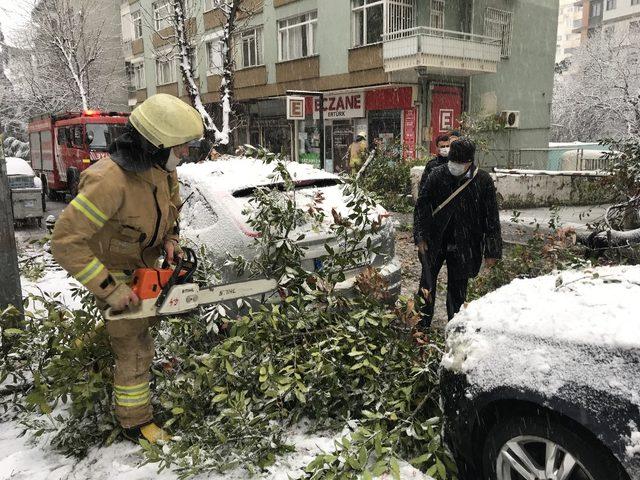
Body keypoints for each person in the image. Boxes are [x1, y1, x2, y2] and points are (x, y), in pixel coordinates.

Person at [51, 94, 204, 444]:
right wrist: (110, 289)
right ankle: (135, 422)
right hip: (113, 270)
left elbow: (172, 208)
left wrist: (171, 239)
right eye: (179, 148)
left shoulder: (163, 170)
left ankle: (95, 354)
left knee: (134, 336)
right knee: (135, 346)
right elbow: (66, 241)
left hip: (145, 264)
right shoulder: (108, 181)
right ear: (155, 144)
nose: (183, 155)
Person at [414, 137, 502, 328]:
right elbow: (422, 206)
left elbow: (491, 218)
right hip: (435, 240)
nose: (454, 166)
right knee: (426, 284)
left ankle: (454, 327)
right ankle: (421, 326)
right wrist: (420, 236)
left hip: (465, 244)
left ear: (470, 162)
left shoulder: (482, 181)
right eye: (453, 162)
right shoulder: (437, 174)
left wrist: (492, 251)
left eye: (459, 163)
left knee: (458, 290)